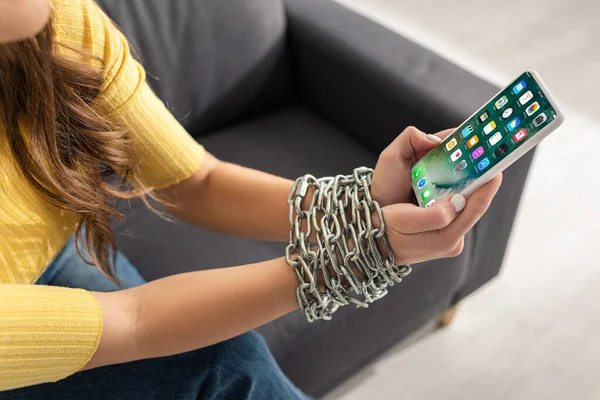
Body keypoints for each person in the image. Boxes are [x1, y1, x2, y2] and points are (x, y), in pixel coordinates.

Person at [0, 0, 502, 398]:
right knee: (224, 370)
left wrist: (359, 205)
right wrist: (358, 253)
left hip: (50, 257)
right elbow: (135, 324)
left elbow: (195, 182)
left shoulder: (55, 24)